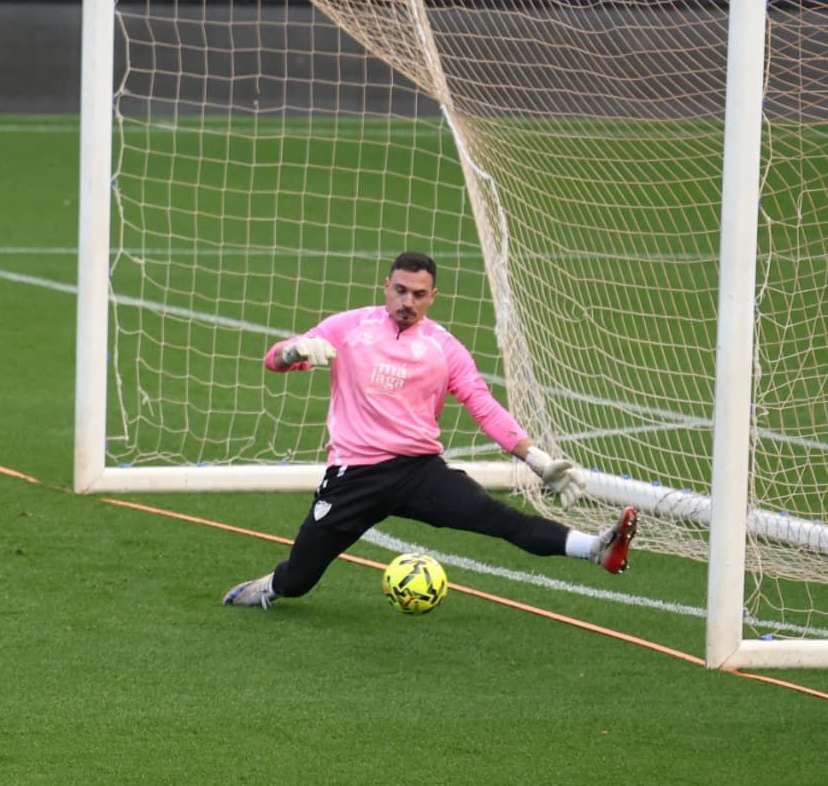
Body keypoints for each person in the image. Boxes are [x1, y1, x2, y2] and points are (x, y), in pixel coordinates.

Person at [223, 251, 637, 610]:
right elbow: (273, 360)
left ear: (433, 296)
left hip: (418, 473)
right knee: (299, 580)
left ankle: (596, 549)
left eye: (419, 294)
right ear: (386, 286)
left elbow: (483, 405)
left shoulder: (445, 348)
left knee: (501, 519)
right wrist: (292, 351)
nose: (408, 302)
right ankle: (270, 587)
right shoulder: (349, 327)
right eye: (401, 290)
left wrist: (536, 458)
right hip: (355, 477)